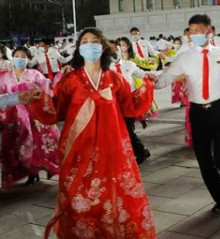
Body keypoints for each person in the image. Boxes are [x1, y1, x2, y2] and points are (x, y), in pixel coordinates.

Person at [30, 27, 156, 238]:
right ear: (79, 49)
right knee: (81, 193)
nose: (90, 45)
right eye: (85, 41)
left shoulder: (115, 78)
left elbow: (129, 106)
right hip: (80, 147)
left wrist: (147, 86)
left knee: (115, 191)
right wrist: (38, 98)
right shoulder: (70, 81)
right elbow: (55, 109)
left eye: (95, 41)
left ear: (103, 47)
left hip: (112, 146)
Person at [150, 14, 220, 213]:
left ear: (209, 30)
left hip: (219, 109)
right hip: (198, 113)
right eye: (191, 30)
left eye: (199, 30)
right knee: (204, 161)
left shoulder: (219, 53)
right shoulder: (184, 57)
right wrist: (153, 81)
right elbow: (165, 79)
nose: (194, 34)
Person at [0, 47, 59, 188]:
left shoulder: (35, 74)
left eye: (23, 56)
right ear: (12, 58)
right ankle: (28, 172)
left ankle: (37, 172)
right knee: (18, 146)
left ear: (28, 59)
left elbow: (48, 88)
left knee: (37, 145)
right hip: (14, 117)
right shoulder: (4, 77)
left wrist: (58, 81)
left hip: (35, 115)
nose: (20, 58)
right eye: (17, 56)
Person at [113, 37, 153, 164]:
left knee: (128, 129)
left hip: (128, 103)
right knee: (118, 130)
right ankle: (134, 152)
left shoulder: (129, 65)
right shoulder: (104, 70)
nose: (113, 52)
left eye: (115, 48)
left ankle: (140, 152)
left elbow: (142, 74)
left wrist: (153, 76)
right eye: (109, 50)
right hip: (113, 104)